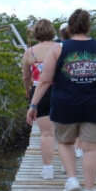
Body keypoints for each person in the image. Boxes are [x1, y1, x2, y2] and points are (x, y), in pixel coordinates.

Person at [26, 9, 96, 191]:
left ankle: (71, 179)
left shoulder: (59, 48)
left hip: (65, 105)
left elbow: (45, 80)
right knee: (92, 150)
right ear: (88, 27)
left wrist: (33, 105)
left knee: (64, 143)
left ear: (70, 27)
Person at [21, 19, 58, 180]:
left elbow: (26, 76)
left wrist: (28, 91)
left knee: (46, 134)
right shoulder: (60, 48)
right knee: (65, 132)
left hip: (40, 93)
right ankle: (68, 168)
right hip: (61, 92)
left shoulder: (30, 52)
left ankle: (48, 169)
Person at [57, 22, 83, 159]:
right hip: (83, 91)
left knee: (67, 128)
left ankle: (70, 154)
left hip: (65, 94)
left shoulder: (59, 48)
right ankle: (78, 148)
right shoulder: (81, 47)